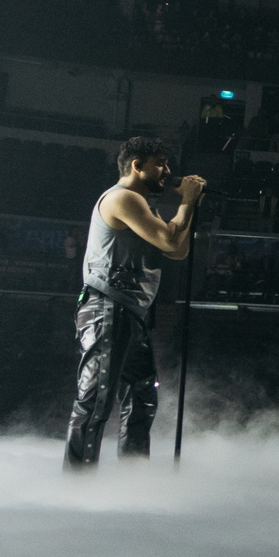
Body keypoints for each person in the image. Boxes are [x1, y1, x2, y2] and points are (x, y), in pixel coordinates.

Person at [64, 136, 205, 469]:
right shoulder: (122, 199)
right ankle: (76, 484)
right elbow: (171, 238)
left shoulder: (144, 205)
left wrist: (191, 206)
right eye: (161, 163)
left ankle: (134, 479)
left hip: (129, 313)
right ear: (137, 165)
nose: (168, 171)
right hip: (106, 309)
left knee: (142, 397)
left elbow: (178, 250)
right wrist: (186, 201)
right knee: (95, 399)